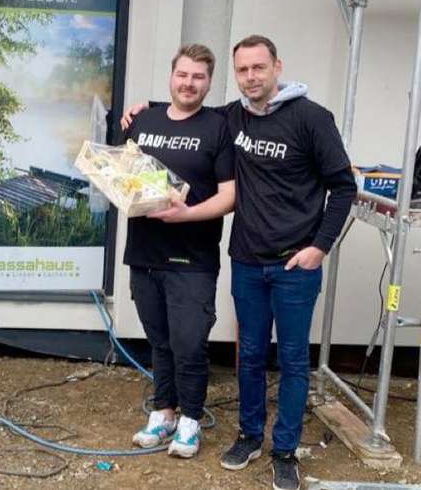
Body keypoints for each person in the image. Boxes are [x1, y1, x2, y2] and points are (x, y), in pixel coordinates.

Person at [122, 35, 356, 490]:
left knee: (292, 360)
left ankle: (284, 450)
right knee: (248, 355)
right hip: (247, 259)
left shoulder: (312, 119)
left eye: (258, 68)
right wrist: (144, 106)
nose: (251, 77)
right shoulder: (233, 116)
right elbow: (186, 107)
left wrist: (320, 246)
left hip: (295, 263)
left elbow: (343, 186)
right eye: (243, 70)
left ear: (277, 67)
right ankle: (249, 436)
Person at [124, 44, 235, 458]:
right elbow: (121, 174)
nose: (189, 83)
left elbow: (230, 196)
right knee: (160, 342)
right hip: (144, 253)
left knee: (189, 344)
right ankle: (164, 412)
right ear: (171, 76)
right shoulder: (143, 121)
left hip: (193, 258)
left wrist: (187, 215)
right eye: (182, 75)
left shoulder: (218, 127)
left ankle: (190, 421)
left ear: (209, 82)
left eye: (198, 77)